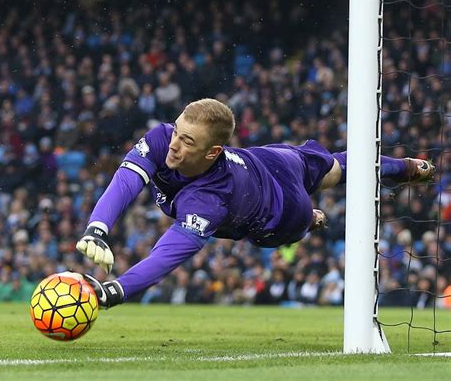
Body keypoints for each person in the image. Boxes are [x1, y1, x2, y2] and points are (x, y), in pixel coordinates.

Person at [73, 98, 435, 308]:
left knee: (332, 171)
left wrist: (114, 292)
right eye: (176, 131)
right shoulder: (161, 139)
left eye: (187, 141)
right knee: (329, 168)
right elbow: (126, 180)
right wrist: (98, 228)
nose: (173, 145)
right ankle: (394, 169)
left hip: (280, 211)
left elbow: (165, 255)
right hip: (260, 161)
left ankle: (397, 169)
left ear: (213, 151)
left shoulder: (209, 201)